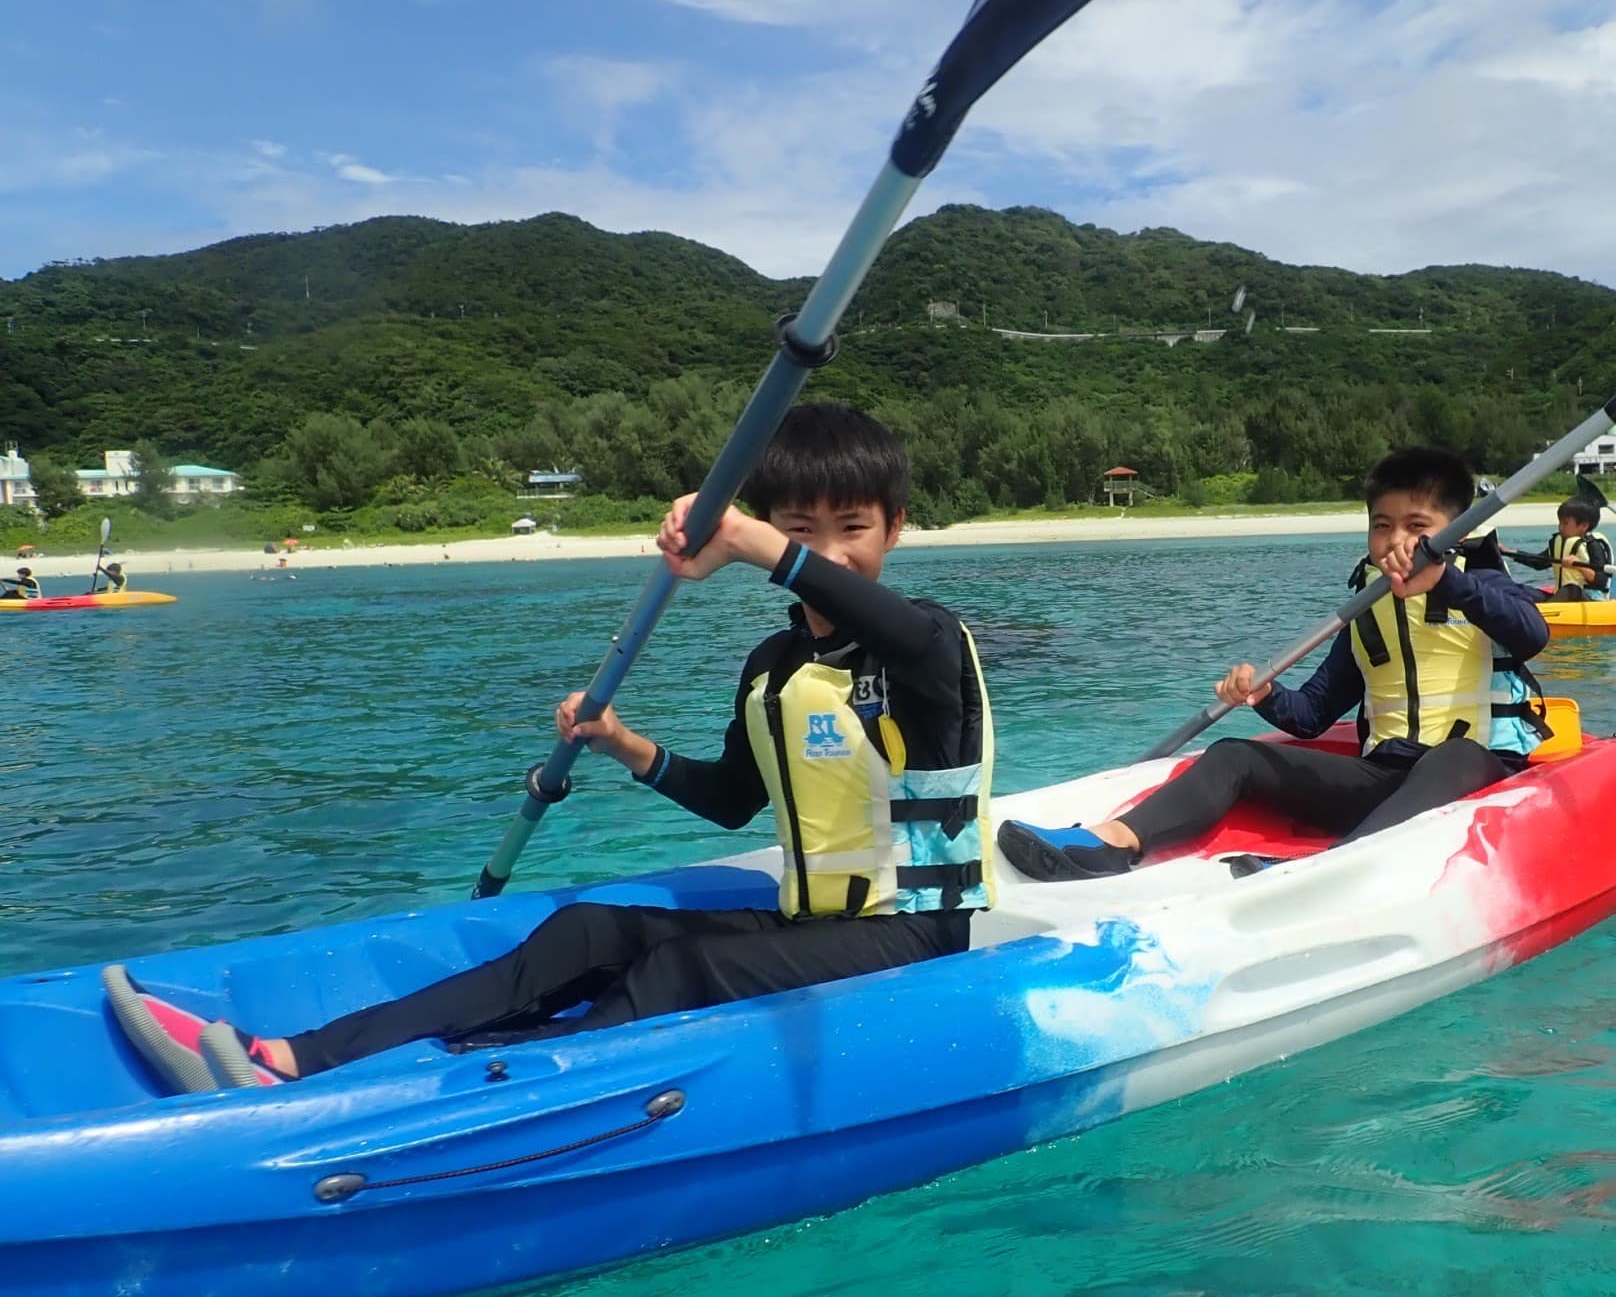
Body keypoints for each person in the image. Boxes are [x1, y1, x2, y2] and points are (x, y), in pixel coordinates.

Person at [105, 404, 996, 1090]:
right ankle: (299, 1055)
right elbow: (734, 800)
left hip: (912, 935)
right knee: (590, 927)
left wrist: (758, 543)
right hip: (814, 926)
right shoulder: (773, 666)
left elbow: (897, 631)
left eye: (855, 529)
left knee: (688, 963)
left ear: (895, 529)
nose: (831, 552)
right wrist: (619, 744)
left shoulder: (925, 641)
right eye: (803, 528)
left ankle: (503, 1080)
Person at [999, 447, 1549, 881]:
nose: (1396, 541)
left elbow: (1532, 635)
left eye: (1417, 526)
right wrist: (1264, 695)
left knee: (1453, 755)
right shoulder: (1366, 610)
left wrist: (1448, 580)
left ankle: (1333, 869)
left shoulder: (1482, 586)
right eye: (1382, 525)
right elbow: (1313, 713)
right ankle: (1115, 841)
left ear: (1456, 531)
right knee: (1233, 756)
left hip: (1478, 776)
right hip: (1386, 780)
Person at [1506, 497, 1613, 601]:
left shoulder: (1593, 545)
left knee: (1572, 589)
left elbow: (1601, 581)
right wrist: (1509, 552)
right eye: (1560, 522)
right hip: (1563, 596)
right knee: (1522, 590)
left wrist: (1579, 565)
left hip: (1590, 600)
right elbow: (1539, 562)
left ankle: (1543, 611)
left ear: (1583, 526)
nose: (1560, 527)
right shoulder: (1559, 542)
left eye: (1565, 523)